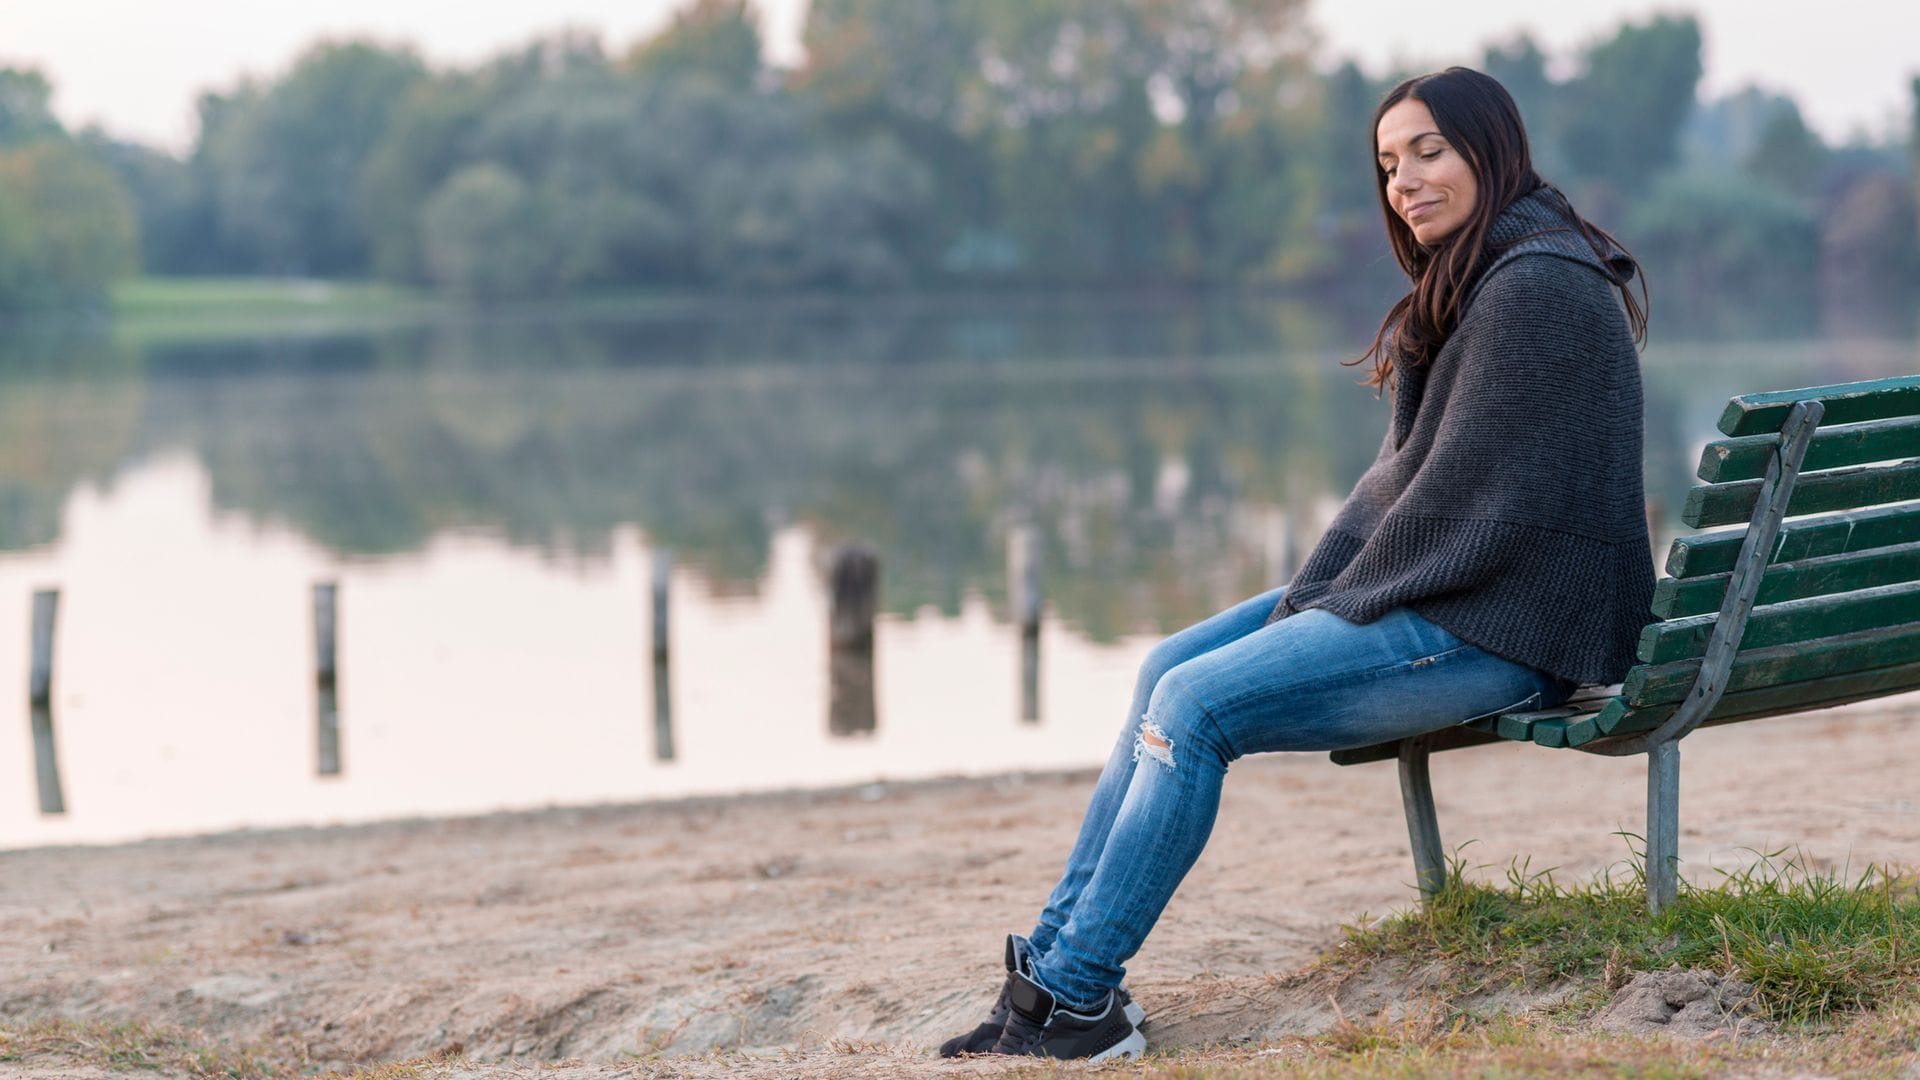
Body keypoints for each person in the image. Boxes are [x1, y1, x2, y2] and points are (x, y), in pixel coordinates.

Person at [938, 66, 1657, 1061]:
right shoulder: (1496, 270)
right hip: (1457, 586)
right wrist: (1324, 595)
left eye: (1430, 153)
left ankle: (1079, 995)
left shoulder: (1534, 287)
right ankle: (1056, 978)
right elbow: (1418, 488)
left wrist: (1331, 601)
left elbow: (1457, 506)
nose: (1405, 182)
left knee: (1196, 708)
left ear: (1492, 152)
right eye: (1389, 163)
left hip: (1503, 624)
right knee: (1164, 670)